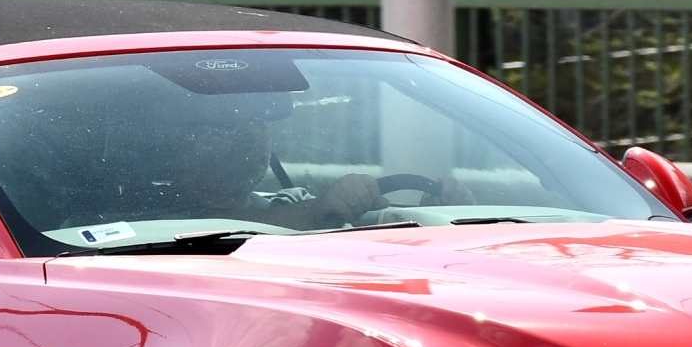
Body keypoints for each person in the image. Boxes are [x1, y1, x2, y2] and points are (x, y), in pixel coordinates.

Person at [162, 104, 468, 230]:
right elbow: (207, 227)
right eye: (222, 127)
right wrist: (318, 211)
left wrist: (448, 216)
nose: (251, 137)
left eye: (260, 122)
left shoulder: (288, 202)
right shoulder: (137, 221)